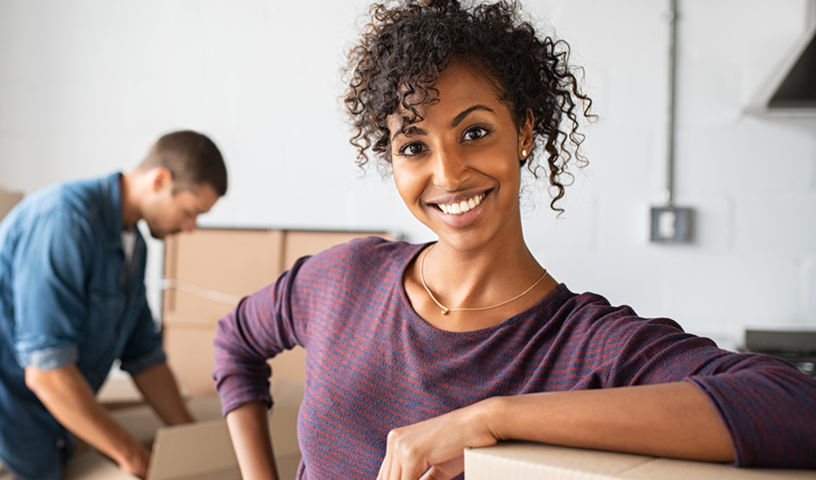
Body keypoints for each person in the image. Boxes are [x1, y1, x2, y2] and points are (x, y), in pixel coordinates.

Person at [212, 2, 816, 479]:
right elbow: (235, 339)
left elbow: (796, 406)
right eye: (414, 147)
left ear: (524, 131)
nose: (447, 174)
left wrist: (491, 420)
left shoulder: (585, 350)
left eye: (474, 131)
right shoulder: (346, 277)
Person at [0, 130, 228, 479]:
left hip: (41, 432)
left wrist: (194, 446)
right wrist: (135, 458)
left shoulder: (131, 245)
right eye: (190, 212)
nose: (190, 228)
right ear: (160, 180)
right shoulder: (64, 222)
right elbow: (48, 372)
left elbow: (145, 358)